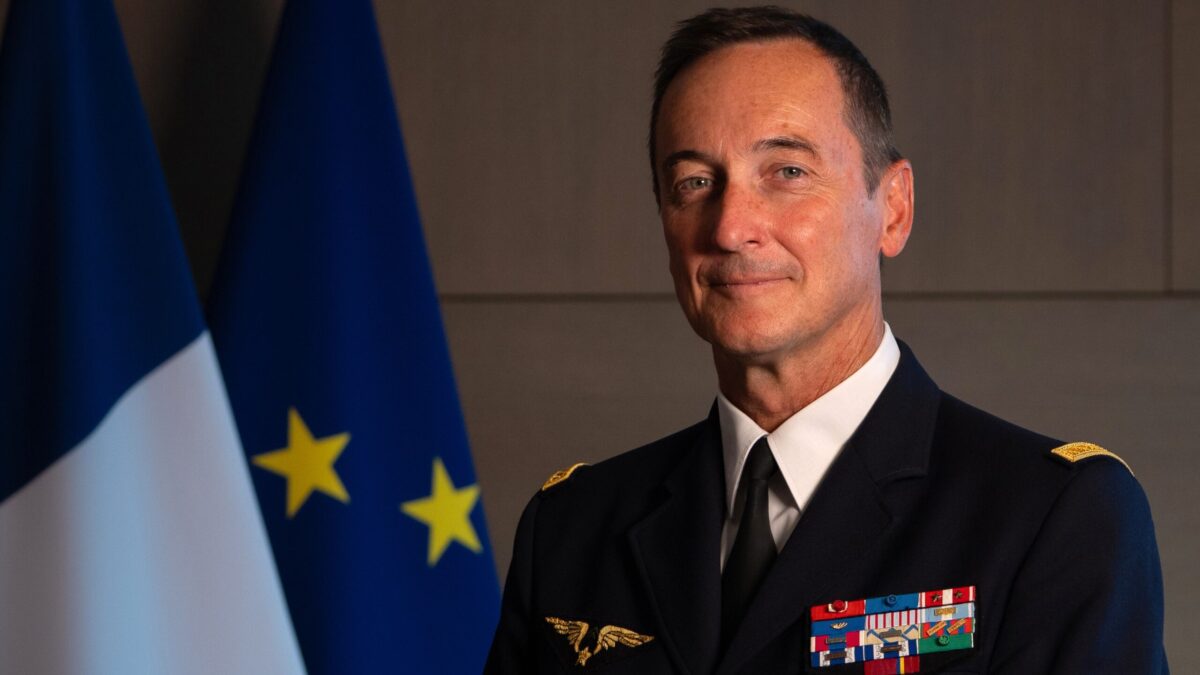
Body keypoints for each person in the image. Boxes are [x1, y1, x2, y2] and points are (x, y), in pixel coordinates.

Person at [485, 7, 1168, 674]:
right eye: (694, 182)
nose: (730, 227)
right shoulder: (572, 527)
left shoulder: (1050, 515)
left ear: (892, 209)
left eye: (787, 172)